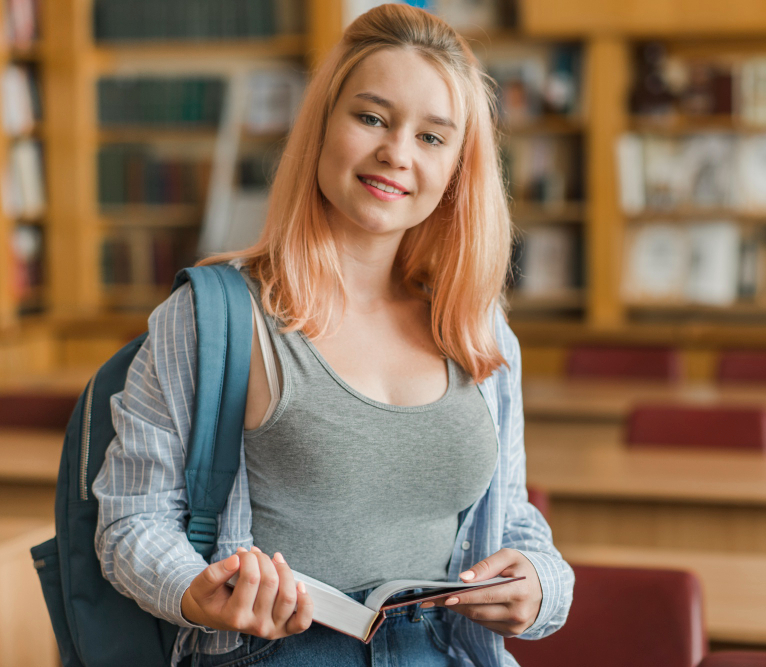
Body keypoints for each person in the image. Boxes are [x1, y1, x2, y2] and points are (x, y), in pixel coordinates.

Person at [92, 4, 574, 666]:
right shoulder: (212, 315)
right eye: (371, 117)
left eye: (432, 137)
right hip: (274, 652)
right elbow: (130, 522)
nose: (395, 153)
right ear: (321, 125)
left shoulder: (477, 326)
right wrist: (199, 592)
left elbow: (515, 522)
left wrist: (542, 586)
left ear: (459, 169)